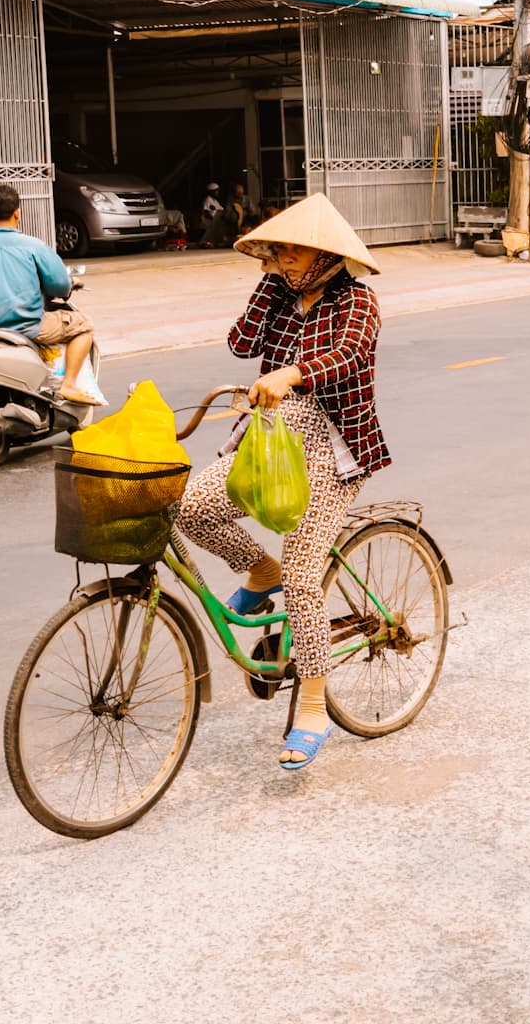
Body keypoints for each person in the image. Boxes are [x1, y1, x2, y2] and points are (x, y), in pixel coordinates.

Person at [174, 191, 388, 774]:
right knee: (187, 509)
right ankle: (257, 569)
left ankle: (313, 707)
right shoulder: (280, 292)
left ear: (324, 255)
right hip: (270, 441)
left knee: (301, 574)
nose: (284, 261)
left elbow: (345, 356)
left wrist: (293, 371)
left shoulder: (358, 302)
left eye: (292, 253)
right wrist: (269, 283)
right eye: (278, 253)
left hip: (334, 451)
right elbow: (240, 344)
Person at [0, 183, 96, 403]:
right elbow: (60, 285)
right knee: (83, 326)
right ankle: (68, 384)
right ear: (17, 212)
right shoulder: (33, 246)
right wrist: (69, 285)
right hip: (28, 327)